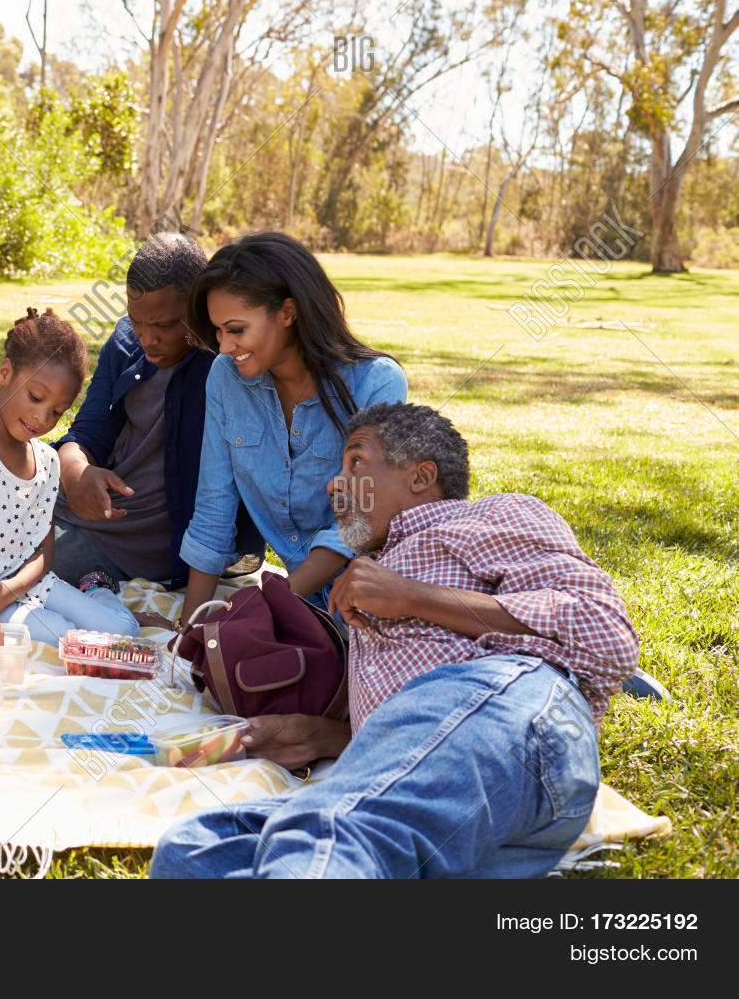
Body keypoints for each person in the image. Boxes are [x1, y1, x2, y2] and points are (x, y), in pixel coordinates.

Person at [150, 402, 639, 879]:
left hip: (514, 712)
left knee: (331, 843)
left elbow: (605, 633)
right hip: (469, 798)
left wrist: (412, 596)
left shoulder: (491, 516)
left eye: (356, 462)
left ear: (421, 477)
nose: (334, 483)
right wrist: (320, 735)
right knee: (192, 851)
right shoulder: (372, 572)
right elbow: (423, 738)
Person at [177, 232, 407, 627]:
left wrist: (268, 606)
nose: (224, 346)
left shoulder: (377, 383)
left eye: (235, 329)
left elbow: (358, 523)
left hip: (375, 599)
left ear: (288, 312)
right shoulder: (225, 379)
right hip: (299, 600)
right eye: (217, 332)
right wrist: (188, 628)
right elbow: (214, 506)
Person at [52, 233, 264, 593]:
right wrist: (76, 473)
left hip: (134, 546)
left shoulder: (227, 362)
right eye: (138, 321)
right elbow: (88, 431)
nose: (148, 338)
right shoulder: (125, 342)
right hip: (76, 509)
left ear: (200, 306)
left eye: (164, 325)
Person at [0, 308, 142, 646]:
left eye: (57, 411)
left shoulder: (48, 460)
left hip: (26, 585)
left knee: (125, 633)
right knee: (76, 642)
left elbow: (44, 547)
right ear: (5, 373)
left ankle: (96, 588)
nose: (42, 417)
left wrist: (16, 586)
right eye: (35, 397)